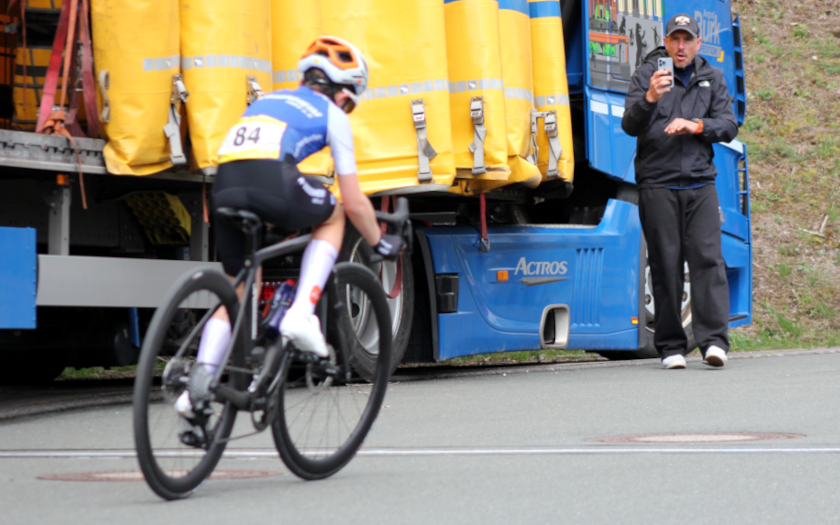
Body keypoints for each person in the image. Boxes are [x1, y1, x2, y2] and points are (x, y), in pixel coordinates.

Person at [175, 36, 404, 420]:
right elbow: (354, 199)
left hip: (225, 185)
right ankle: (301, 311)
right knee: (333, 214)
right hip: (272, 180)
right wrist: (378, 242)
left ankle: (197, 386)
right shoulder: (331, 114)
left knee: (240, 287)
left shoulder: (267, 100)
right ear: (344, 90)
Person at [621, 14, 738, 369]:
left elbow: (729, 125)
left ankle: (714, 343)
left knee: (708, 260)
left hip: (701, 184)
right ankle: (672, 347)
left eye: (688, 40)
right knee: (665, 265)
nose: (681, 47)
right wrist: (649, 98)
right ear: (666, 43)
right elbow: (629, 124)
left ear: (698, 43)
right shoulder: (647, 75)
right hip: (657, 183)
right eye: (675, 40)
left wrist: (696, 125)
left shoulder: (712, 78)